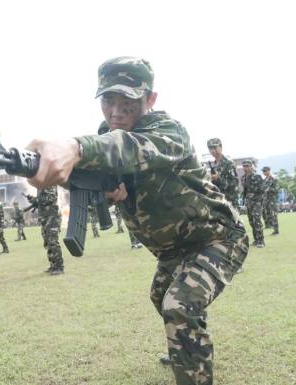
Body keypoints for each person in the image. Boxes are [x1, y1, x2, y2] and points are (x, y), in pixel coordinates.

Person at [25, 57, 249, 384]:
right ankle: (186, 345)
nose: (116, 111)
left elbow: (129, 149)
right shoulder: (108, 137)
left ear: (151, 99)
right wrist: (44, 171)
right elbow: (103, 171)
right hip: (172, 250)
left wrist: (75, 147)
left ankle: (191, 359)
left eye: (128, 101)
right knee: (162, 299)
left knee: (180, 306)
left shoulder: (167, 132)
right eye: (108, 101)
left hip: (216, 239)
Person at [35, 187, 64, 275]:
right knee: (47, 243)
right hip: (45, 218)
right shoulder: (40, 186)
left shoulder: (50, 183)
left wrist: (36, 200)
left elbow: (51, 199)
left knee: (53, 242)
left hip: (52, 217)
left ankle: (59, 267)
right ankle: (53, 265)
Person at [206, 138, 240, 208]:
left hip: (230, 202)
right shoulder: (214, 164)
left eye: (214, 147)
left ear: (221, 147)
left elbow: (234, 184)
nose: (212, 150)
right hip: (220, 201)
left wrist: (218, 179)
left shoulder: (228, 163)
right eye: (210, 148)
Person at [241, 160, 265, 248]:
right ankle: (256, 240)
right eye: (244, 166)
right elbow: (245, 191)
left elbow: (262, 189)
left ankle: (261, 241)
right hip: (248, 202)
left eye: (247, 166)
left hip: (257, 202)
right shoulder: (243, 178)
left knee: (257, 220)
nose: (245, 167)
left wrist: (259, 199)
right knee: (251, 221)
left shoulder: (257, 177)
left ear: (251, 166)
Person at [261, 166, 280, 236]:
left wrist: (268, 190)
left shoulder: (274, 179)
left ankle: (276, 231)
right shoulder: (265, 180)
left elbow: (276, 189)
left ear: (269, 170)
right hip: (266, 200)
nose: (264, 172)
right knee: (269, 215)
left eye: (265, 171)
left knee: (274, 215)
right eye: (263, 171)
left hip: (272, 200)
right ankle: (271, 227)